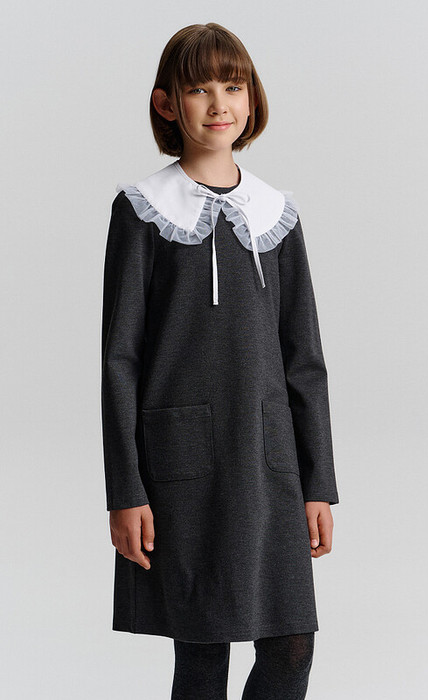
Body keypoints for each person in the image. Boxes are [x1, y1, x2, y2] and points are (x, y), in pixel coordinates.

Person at [101, 22, 340, 700]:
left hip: (271, 466)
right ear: (166, 103)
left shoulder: (276, 214)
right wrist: (126, 490)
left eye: (232, 87)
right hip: (183, 470)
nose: (218, 104)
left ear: (251, 96)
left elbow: (305, 360)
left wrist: (318, 482)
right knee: (203, 654)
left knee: (291, 646)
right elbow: (120, 359)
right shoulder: (143, 211)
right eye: (199, 89)